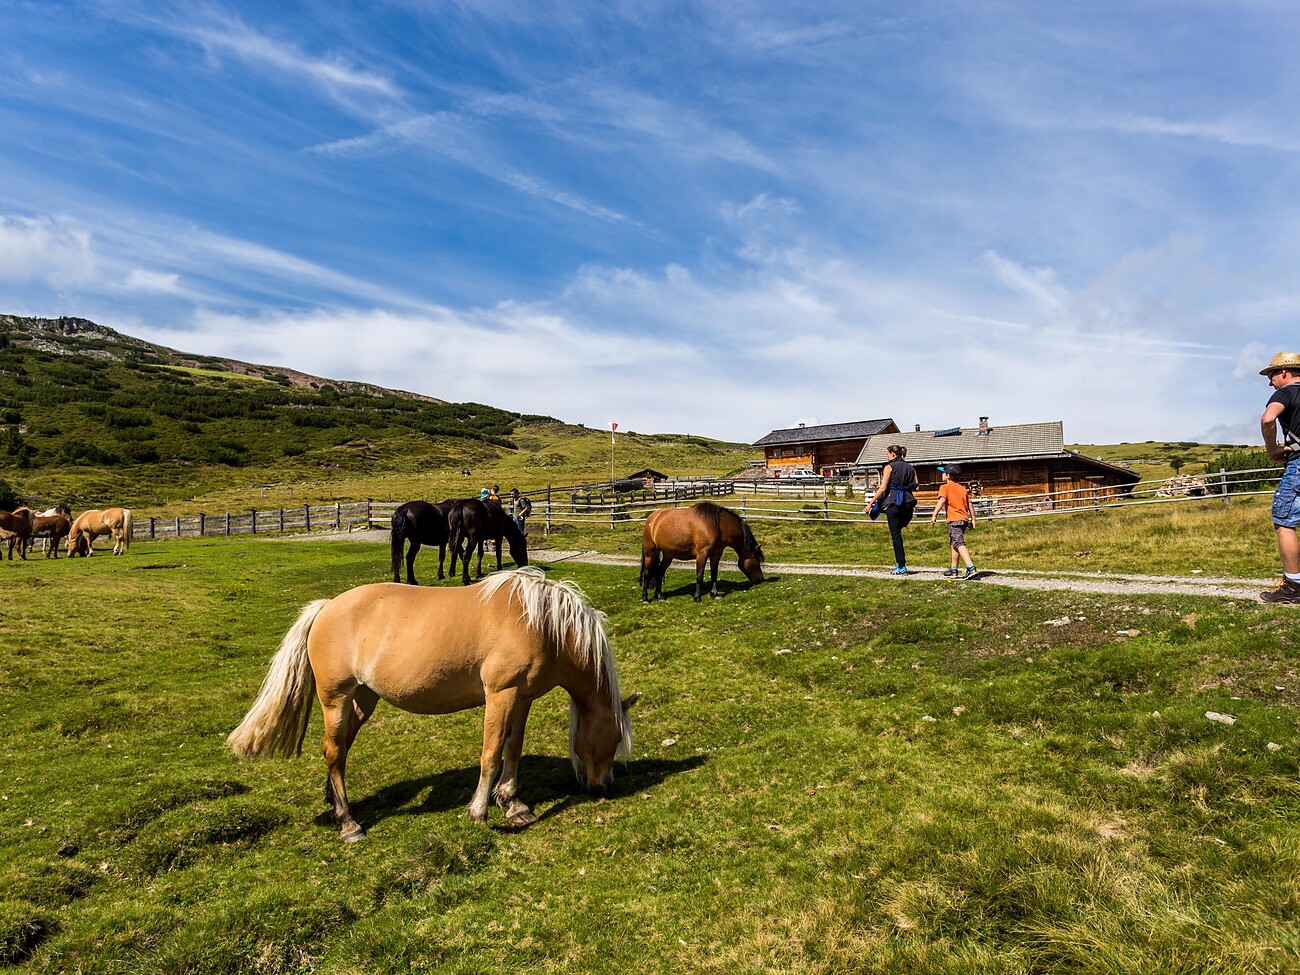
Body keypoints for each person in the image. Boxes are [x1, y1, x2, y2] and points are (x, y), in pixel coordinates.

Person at [1260, 351, 1300, 604]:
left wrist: (1272, 449)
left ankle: (1294, 585)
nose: (1270, 382)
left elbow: (1268, 419)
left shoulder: (1286, 393)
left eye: (1272, 375)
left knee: (1284, 521)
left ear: (1284, 372)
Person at [867, 444, 918, 575]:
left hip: (894, 503)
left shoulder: (889, 467)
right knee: (898, 530)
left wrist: (871, 503)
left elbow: (883, 488)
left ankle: (901, 565)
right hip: (908, 503)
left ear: (893, 454)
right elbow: (917, 487)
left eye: (888, 454)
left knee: (896, 535)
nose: (887, 456)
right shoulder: (911, 468)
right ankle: (900, 564)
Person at [930, 463, 977, 579]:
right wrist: (973, 519)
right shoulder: (962, 489)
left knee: (959, 543)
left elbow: (942, 501)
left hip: (954, 519)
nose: (942, 474)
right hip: (964, 520)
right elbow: (970, 505)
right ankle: (953, 569)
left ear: (948, 476)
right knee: (954, 543)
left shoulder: (945, 487)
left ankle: (971, 568)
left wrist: (934, 515)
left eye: (943, 473)